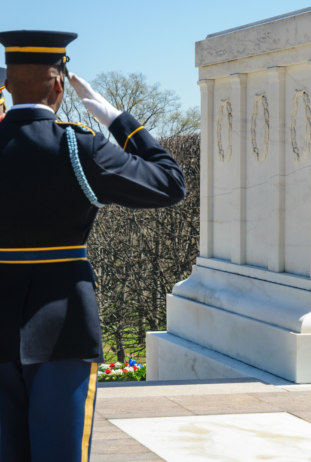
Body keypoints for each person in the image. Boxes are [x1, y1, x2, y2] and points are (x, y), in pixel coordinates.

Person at [0, 30, 186, 462]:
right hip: (64, 324)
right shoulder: (78, 145)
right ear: (61, 86)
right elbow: (169, 183)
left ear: (6, 84)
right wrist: (118, 119)